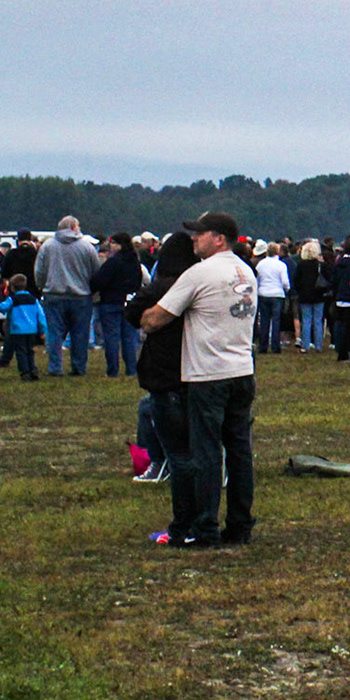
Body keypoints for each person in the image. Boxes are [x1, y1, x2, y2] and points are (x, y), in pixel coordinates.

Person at [139, 211, 258, 551]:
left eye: (200, 233)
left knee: (206, 453)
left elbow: (156, 318)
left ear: (218, 238)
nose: (193, 238)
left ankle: (205, 527)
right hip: (242, 369)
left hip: (208, 373)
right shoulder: (245, 271)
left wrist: (143, 315)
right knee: (239, 451)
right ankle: (240, 524)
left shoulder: (200, 273)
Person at [129, 233, 201, 545]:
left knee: (179, 453)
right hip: (201, 372)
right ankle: (204, 519)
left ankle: (185, 524)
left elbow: (134, 314)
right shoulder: (202, 284)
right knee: (202, 449)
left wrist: (152, 317)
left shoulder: (162, 287)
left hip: (166, 373)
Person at [35, 216, 100, 376]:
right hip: (81, 296)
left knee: (55, 333)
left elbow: (39, 270)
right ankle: (79, 367)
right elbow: (95, 271)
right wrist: (92, 288)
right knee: (80, 334)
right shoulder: (87, 247)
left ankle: (55, 367)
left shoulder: (48, 246)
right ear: (74, 227)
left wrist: (42, 285)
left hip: (54, 294)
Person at [92, 231, 145, 375]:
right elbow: (138, 282)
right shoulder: (135, 262)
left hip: (110, 301)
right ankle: (132, 369)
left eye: (113, 243)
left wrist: (94, 288)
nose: (111, 246)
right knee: (129, 338)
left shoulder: (113, 262)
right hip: (128, 302)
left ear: (120, 245)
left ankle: (113, 370)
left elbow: (99, 281)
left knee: (111, 338)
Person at [0, 274, 47, 381]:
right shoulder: (33, 299)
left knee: (21, 352)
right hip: (32, 329)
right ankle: (33, 370)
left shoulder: (13, 299)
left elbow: (3, 308)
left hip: (17, 330)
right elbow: (41, 315)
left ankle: (25, 372)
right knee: (30, 351)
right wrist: (43, 330)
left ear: (12, 287)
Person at [252, 243, 291, 356]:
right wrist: (287, 289)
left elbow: (257, 279)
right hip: (277, 294)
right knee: (276, 321)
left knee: (264, 321)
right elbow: (285, 281)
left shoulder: (261, 264)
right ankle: (275, 346)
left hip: (263, 293)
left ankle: (263, 346)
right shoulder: (281, 265)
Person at [294, 240, 328, 353]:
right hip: (319, 295)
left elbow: (296, 281)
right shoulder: (320, 265)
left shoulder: (301, 265)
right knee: (318, 321)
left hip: (304, 296)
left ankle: (306, 345)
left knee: (306, 321)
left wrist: (300, 291)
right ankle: (318, 345)